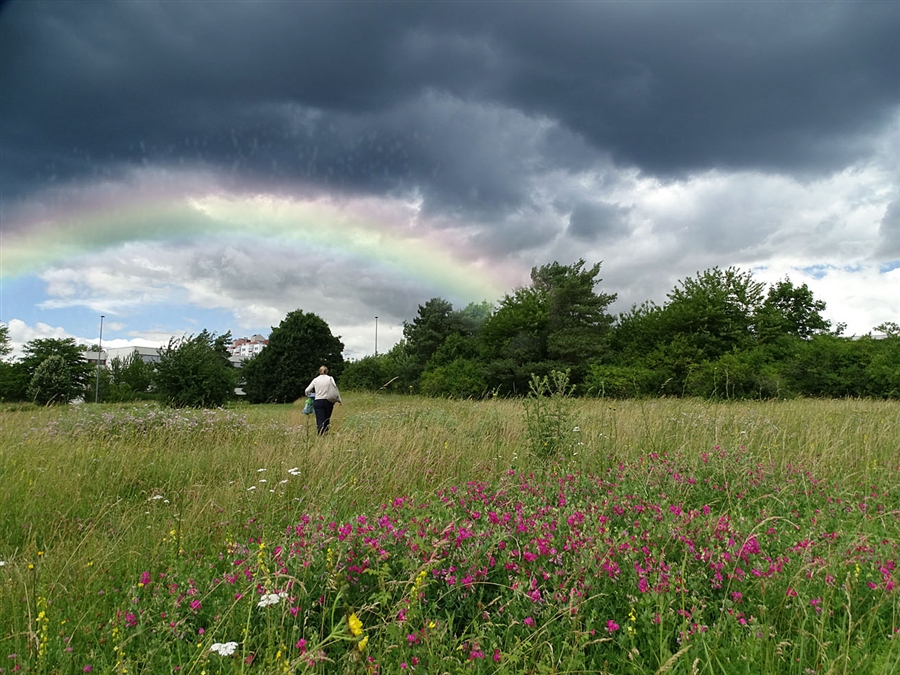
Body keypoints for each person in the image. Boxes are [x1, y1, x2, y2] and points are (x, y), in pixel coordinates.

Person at [305, 366, 342, 435]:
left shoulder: (315, 380)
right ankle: (326, 433)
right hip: (328, 401)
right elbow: (335, 389)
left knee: (320, 419)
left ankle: (320, 434)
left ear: (319, 371)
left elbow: (307, 390)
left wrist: (309, 395)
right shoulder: (330, 378)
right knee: (327, 419)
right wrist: (339, 399)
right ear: (327, 371)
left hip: (318, 401)